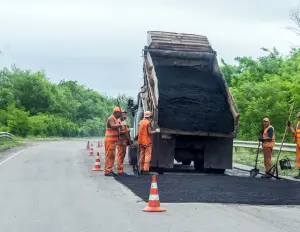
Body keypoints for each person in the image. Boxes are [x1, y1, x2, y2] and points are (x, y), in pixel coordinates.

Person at [104, 107, 122, 176]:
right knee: (109, 155)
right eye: (119, 113)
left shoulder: (115, 119)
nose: (120, 115)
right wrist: (120, 125)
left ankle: (109, 169)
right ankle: (107, 171)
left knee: (112, 156)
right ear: (116, 112)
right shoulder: (111, 118)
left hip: (113, 141)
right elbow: (113, 126)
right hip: (110, 140)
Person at [116, 111, 132, 175]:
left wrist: (129, 140)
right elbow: (119, 132)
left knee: (123, 155)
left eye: (125, 114)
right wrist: (126, 130)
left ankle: (121, 169)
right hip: (120, 141)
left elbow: (127, 132)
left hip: (124, 141)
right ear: (120, 115)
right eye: (123, 114)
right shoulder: (118, 122)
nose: (125, 116)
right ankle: (120, 170)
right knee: (120, 155)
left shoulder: (123, 122)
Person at [287, 112, 300, 179]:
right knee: (299, 159)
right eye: (299, 116)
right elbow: (294, 133)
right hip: (298, 144)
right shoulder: (298, 123)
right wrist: (290, 126)